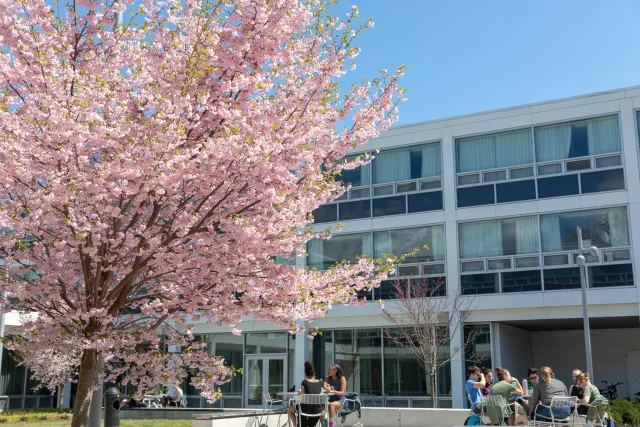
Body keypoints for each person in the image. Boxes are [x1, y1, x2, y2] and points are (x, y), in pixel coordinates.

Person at [289, 361, 325, 427]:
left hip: (305, 411)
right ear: (314, 373)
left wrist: (300, 393)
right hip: (317, 410)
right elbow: (326, 389)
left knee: (290, 410)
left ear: (306, 374)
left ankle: (296, 425)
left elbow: (302, 397)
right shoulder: (320, 382)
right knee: (320, 410)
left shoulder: (304, 382)